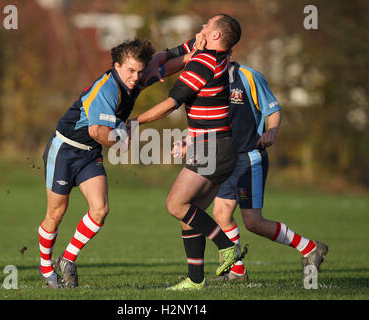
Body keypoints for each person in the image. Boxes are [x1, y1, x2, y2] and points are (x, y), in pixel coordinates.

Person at [147, 34, 328, 284]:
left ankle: (309, 247)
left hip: (248, 157)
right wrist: (187, 141)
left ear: (229, 53)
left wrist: (271, 130)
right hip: (222, 156)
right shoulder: (205, 76)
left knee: (253, 222)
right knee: (221, 213)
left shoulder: (249, 77)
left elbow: (273, 110)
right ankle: (237, 272)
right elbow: (206, 119)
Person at [128, 14, 243, 290]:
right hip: (220, 147)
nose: (201, 28)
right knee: (190, 216)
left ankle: (228, 247)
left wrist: (133, 122)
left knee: (175, 205)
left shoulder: (204, 62)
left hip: (212, 148)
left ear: (215, 36)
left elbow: (170, 103)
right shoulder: (216, 54)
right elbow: (170, 55)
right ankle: (195, 281)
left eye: (206, 25)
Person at [38, 39, 156, 289]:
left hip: (89, 154)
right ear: (116, 66)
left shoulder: (135, 79)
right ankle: (46, 268)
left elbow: (164, 62)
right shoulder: (108, 89)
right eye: (130, 71)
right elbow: (97, 132)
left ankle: (67, 260)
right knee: (56, 214)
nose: (136, 77)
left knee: (100, 209)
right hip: (65, 150)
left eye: (140, 71)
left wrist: (190, 53)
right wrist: (121, 145)